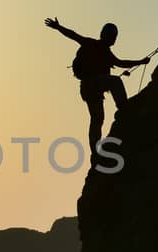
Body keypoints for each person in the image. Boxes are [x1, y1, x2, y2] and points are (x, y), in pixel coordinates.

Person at [44, 17, 150, 157]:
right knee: (114, 82)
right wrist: (58, 27)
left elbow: (120, 63)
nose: (114, 39)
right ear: (107, 36)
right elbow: (73, 35)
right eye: (113, 36)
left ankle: (95, 151)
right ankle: (123, 107)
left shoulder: (103, 50)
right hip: (92, 84)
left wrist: (140, 62)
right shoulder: (92, 44)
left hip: (89, 89)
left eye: (114, 37)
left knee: (97, 118)